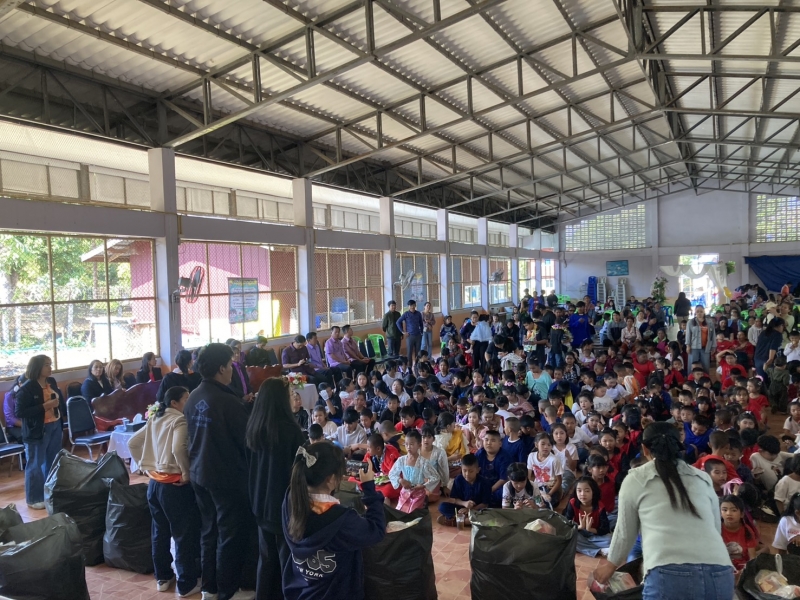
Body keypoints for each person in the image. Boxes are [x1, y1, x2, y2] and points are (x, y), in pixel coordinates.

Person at [592, 423, 733, 600]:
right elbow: (715, 528)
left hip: (667, 572)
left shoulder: (636, 478)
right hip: (720, 572)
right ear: (679, 446)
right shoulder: (702, 478)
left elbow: (625, 532)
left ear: (644, 449)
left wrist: (610, 565)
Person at [184, 343, 254, 600]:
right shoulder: (228, 401)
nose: (233, 370)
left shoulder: (193, 396)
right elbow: (246, 442)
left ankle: (209, 588)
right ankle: (228, 590)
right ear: (222, 368)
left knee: (208, 531)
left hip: (199, 474)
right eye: (230, 365)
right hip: (225, 477)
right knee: (229, 534)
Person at [282, 443, 385, 600]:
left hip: (299, 588)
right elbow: (376, 530)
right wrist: (369, 488)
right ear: (330, 480)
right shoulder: (342, 520)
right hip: (334, 593)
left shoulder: (290, 500)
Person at [128, 386, 201, 597]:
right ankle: (186, 584)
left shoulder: (155, 418)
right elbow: (179, 448)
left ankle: (162, 577)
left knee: (159, 532)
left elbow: (133, 443)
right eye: (186, 398)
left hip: (154, 485)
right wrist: (186, 473)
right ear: (174, 403)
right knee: (182, 534)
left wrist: (146, 465)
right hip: (174, 485)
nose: (189, 401)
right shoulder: (179, 420)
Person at [246, 377, 305, 600]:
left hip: (260, 500)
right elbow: (300, 471)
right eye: (289, 395)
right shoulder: (291, 431)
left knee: (266, 558)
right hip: (283, 504)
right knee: (286, 560)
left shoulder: (255, 426)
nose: (292, 398)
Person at [14, 355, 63, 510]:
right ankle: (34, 498)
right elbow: (20, 412)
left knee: (52, 461)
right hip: (37, 430)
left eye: (50, 364)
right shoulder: (27, 388)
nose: (50, 368)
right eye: (46, 365)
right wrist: (45, 406)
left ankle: (49, 493)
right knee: (35, 464)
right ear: (37, 367)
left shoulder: (51, 382)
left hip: (54, 425)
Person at [437, 453, 491, 526]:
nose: (467, 474)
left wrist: (470, 510)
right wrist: (464, 503)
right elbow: (454, 499)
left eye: (471, 471)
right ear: (461, 468)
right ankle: (466, 521)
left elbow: (485, 504)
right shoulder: (458, 479)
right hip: (461, 508)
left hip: (477, 509)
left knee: (488, 513)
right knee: (442, 506)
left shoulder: (484, 482)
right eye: (464, 470)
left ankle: (458, 520)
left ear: (478, 470)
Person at [564, 476, 612, 557]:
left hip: (594, 535)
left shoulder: (600, 507)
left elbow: (605, 529)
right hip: (579, 533)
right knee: (570, 537)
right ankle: (599, 551)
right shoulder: (572, 503)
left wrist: (590, 529)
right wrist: (579, 527)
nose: (582, 494)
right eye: (579, 491)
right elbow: (566, 524)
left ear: (593, 492)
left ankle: (585, 545)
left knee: (609, 539)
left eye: (587, 491)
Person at [719, 495, 757, 572]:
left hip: (742, 568)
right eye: (724, 510)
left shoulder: (747, 530)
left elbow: (752, 558)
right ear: (720, 513)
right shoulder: (717, 530)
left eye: (734, 510)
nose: (729, 513)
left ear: (742, 514)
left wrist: (743, 572)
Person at [685, 305, 717, 372]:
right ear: (695, 312)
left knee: (706, 365)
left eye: (701, 311)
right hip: (694, 347)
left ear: (704, 312)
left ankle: (705, 378)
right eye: (697, 311)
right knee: (692, 364)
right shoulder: (690, 322)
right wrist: (688, 346)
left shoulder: (709, 322)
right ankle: (690, 377)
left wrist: (713, 346)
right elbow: (688, 335)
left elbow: (713, 335)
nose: (699, 313)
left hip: (706, 347)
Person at [397, 300, 424, 367]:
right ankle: (409, 368)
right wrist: (403, 332)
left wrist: (421, 332)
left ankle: (417, 367)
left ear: (415, 305)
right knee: (409, 353)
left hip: (418, 336)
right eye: (411, 305)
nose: (412, 307)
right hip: (410, 336)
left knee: (418, 353)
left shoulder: (418, 313)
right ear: (408, 306)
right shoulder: (406, 314)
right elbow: (398, 322)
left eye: (413, 305)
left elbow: (421, 324)